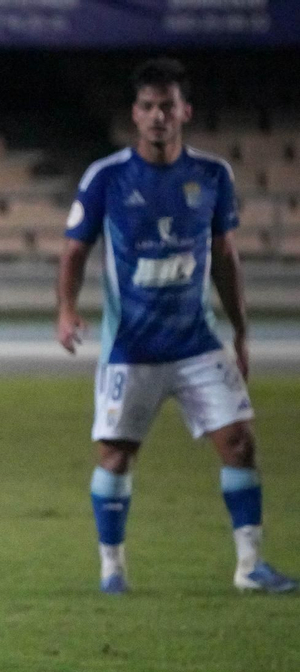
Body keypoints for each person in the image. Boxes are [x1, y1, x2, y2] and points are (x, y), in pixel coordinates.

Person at [57, 57, 294, 595]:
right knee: (116, 455)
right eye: (147, 106)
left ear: (185, 110)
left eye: (167, 105)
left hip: (196, 342)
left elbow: (225, 256)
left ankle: (250, 566)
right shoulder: (107, 178)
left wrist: (241, 329)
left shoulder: (212, 176)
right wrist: (66, 309)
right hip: (131, 347)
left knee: (240, 444)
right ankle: (112, 569)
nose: (158, 115)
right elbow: (74, 252)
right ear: (135, 116)